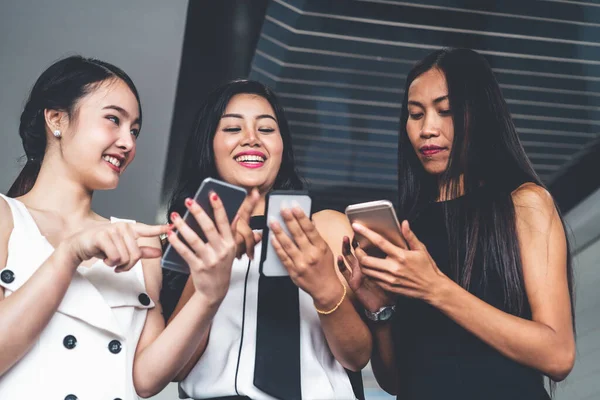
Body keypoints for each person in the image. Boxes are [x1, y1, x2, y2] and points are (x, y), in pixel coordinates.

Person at [0, 56, 257, 400]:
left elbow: (144, 380)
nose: (128, 143)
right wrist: (69, 255)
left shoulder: (139, 243)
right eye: (113, 120)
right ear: (56, 118)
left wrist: (208, 296)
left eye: (134, 130)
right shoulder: (6, 217)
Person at [339, 48, 576, 400]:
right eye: (415, 114)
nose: (427, 129)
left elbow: (558, 355)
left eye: (445, 111)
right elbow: (396, 383)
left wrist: (435, 288)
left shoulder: (525, 204)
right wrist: (380, 311)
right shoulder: (408, 226)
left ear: (478, 114)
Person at [163, 79, 372, 400]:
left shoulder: (327, 228)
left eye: (266, 129)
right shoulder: (187, 240)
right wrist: (208, 271)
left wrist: (325, 288)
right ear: (209, 144)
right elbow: (176, 369)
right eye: (233, 129)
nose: (251, 139)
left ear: (282, 146)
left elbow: (356, 357)